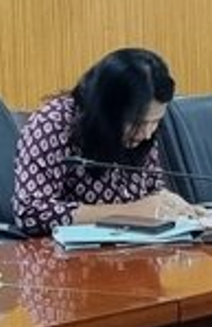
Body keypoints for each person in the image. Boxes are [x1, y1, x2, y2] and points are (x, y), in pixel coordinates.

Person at [13, 47, 201, 235]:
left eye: (156, 121)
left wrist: (168, 202)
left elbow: (151, 188)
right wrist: (130, 212)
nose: (147, 134)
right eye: (138, 122)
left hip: (131, 245)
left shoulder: (143, 134)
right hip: (68, 250)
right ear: (107, 108)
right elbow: (30, 212)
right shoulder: (53, 123)